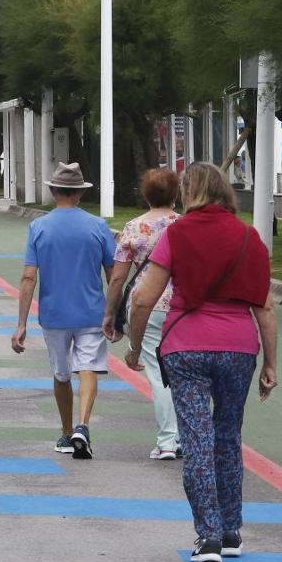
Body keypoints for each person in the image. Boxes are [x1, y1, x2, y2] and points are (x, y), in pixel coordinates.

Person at [126, 162, 276, 562]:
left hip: (186, 349)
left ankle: (207, 536)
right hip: (239, 349)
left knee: (197, 440)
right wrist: (271, 363)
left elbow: (143, 298)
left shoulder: (178, 233)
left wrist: (135, 347)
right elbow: (264, 307)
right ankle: (231, 531)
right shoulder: (249, 237)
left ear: (189, 192)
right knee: (228, 436)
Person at [12, 162, 115, 459]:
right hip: (92, 312)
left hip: (54, 315)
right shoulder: (98, 226)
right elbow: (113, 274)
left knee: (61, 374)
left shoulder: (38, 227)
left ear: (54, 191)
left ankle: (67, 432)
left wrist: (21, 324)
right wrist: (114, 312)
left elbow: (29, 277)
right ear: (79, 194)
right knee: (89, 367)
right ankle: (84, 424)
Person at [102, 168, 181, 460]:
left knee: (157, 372)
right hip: (182, 307)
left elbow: (118, 279)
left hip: (146, 307)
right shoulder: (184, 225)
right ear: (176, 194)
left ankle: (167, 441)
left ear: (145, 195)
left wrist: (110, 313)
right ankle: (185, 435)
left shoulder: (133, 228)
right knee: (181, 373)